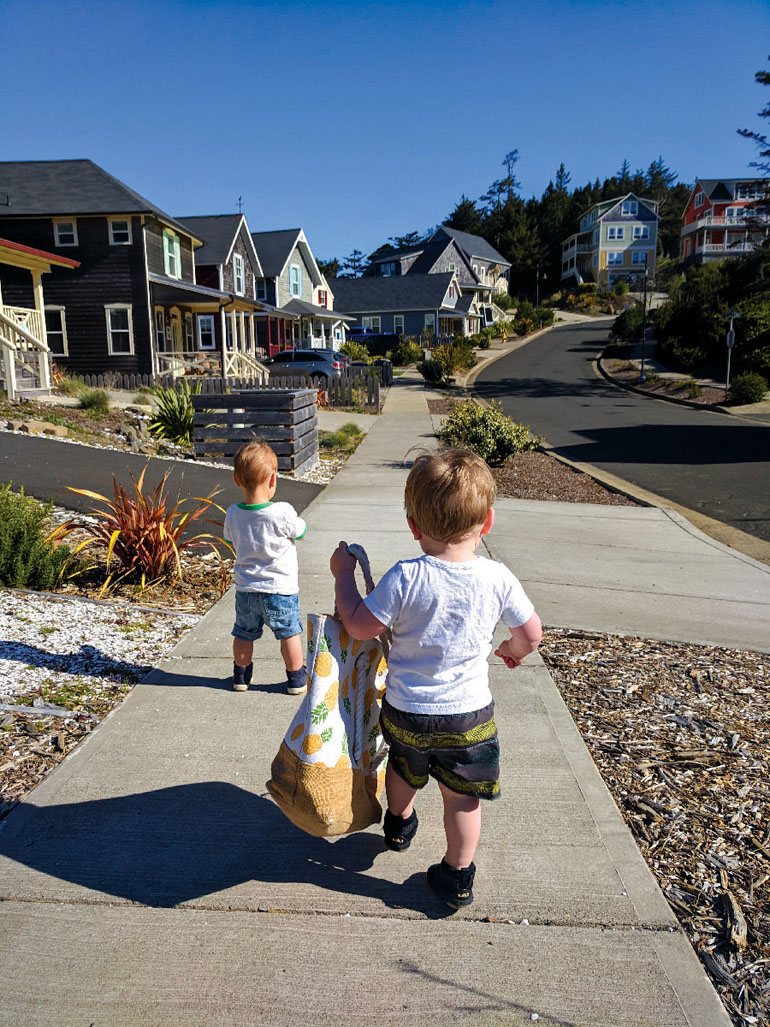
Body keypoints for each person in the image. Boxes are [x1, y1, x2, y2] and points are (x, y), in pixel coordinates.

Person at [330, 448, 542, 909]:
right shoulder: (497, 577)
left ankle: (400, 822)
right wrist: (511, 650)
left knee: (404, 770)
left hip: (407, 712)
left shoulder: (407, 576)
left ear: (413, 526)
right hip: (469, 718)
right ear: (486, 523)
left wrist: (342, 576)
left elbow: (359, 626)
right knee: (462, 799)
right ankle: (457, 875)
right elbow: (532, 633)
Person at [224, 440, 307, 695]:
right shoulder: (282, 512)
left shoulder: (233, 513)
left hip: (247, 589)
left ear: (237, 480)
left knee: (244, 633)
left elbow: (229, 538)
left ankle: (240, 676)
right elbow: (301, 531)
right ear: (273, 480)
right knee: (288, 633)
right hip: (280, 590)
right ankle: (296, 679)